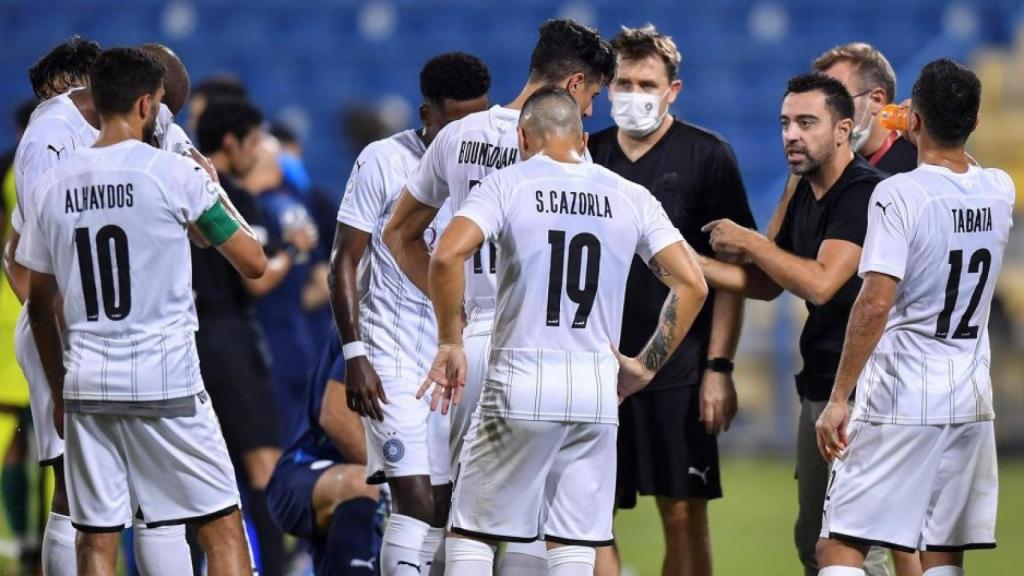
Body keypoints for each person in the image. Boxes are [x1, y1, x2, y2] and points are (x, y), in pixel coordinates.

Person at [422, 85, 708, 576]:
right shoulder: (631, 196)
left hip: (522, 377)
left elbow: (447, 254)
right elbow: (692, 284)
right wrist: (643, 367)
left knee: (472, 531)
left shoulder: (508, 183)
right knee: (573, 543)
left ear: (523, 138)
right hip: (596, 389)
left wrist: (450, 341)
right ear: (585, 140)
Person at [15, 46, 265, 575]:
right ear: (148, 104)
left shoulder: (51, 187)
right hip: (167, 382)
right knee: (221, 529)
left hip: (87, 384)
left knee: (96, 540)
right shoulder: (173, 174)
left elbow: (39, 305)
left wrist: (60, 393)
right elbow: (253, 261)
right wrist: (212, 187)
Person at [382, 20, 615, 574]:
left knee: (461, 509)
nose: (591, 114)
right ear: (576, 84)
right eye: (594, 100)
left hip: (469, 344)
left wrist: (452, 320)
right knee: (537, 521)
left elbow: (400, 235)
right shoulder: (578, 163)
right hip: (542, 348)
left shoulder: (458, 137)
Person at [815, 58, 1009, 576]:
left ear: (913, 119)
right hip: (969, 400)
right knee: (941, 551)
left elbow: (875, 301)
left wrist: (839, 399)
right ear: (974, 123)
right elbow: (957, 163)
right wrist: (929, 125)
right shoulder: (1000, 190)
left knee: (839, 547)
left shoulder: (897, 193)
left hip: (903, 394)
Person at [696, 73, 890, 576]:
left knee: (854, 550)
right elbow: (768, 281)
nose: (791, 135)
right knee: (813, 543)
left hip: (866, 393)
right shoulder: (801, 185)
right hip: (820, 386)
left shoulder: (864, 194)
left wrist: (751, 240)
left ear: (843, 129)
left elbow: (822, 283)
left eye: (806, 122)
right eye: (785, 123)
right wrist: (683, 263)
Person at [586, 25, 755, 576]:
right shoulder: (586, 155)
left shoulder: (709, 156)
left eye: (647, 83)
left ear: (673, 90)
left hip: (678, 368)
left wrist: (719, 367)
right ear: (607, 86)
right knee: (587, 517)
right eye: (625, 82)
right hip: (596, 365)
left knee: (683, 514)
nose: (635, 94)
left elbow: (733, 275)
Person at [331, 51, 491, 576]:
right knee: (417, 501)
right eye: (459, 121)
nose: (473, 131)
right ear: (428, 117)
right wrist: (354, 354)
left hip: (455, 362)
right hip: (391, 357)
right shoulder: (383, 160)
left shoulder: (490, 167)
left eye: (481, 116)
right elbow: (344, 261)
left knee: (448, 510)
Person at [194, 98, 307, 576]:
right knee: (263, 466)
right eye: (255, 140)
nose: (262, 150)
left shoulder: (178, 186)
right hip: (231, 342)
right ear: (230, 142)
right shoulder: (229, 199)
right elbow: (256, 278)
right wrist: (290, 253)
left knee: (192, 475)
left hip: (188, 341)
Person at [767, 43, 917, 241]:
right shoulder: (817, 167)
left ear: (877, 99)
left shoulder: (916, 166)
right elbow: (774, 252)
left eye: (837, 98)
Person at [266, 327, 381, 575]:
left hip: (399, 475)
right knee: (362, 483)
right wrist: (397, 481)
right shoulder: (372, 314)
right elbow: (336, 417)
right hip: (312, 466)